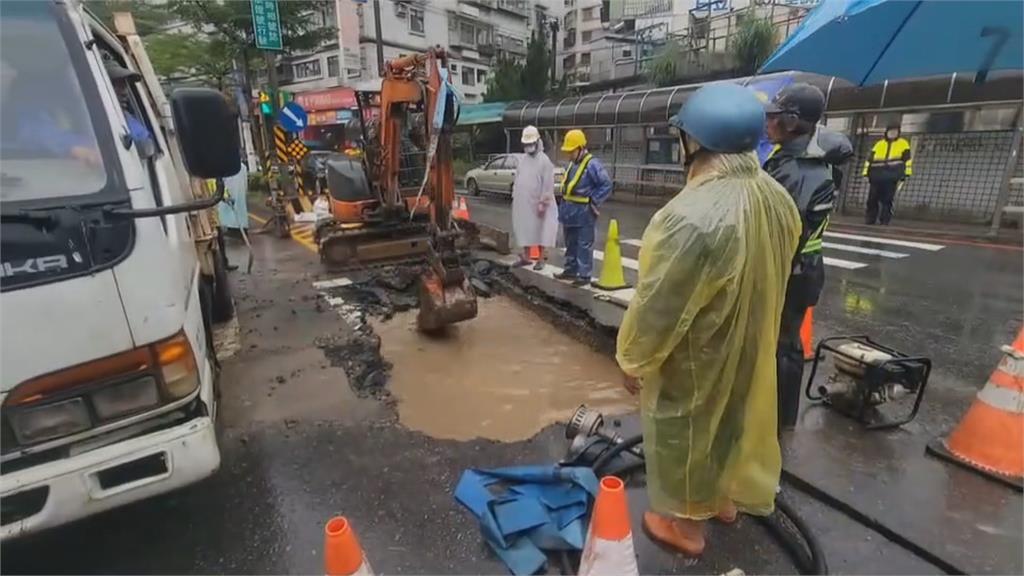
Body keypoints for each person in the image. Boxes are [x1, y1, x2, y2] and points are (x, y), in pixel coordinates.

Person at [616, 84, 801, 556]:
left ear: (695, 143)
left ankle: (685, 526)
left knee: (687, 424)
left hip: (701, 348)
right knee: (734, 416)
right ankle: (723, 501)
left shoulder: (689, 217)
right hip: (753, 339)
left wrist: (634, 358)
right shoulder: (778, 199)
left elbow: (661, 304)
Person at [763, 83, 853, 430]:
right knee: (783, 345)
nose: (767, 122)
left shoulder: (802, 170)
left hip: (793, 271)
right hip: (803, 269)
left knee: (784, 348)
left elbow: (784, 233)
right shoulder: (797, 156)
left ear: (792, 120)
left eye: (774, 116)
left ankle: (779, 423)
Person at [556, 129, 612, 286]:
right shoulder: (572, 165)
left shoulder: (593, 164)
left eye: (571, 151)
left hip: (583, 211)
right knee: (570, 242)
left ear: (580, 148)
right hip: (569, 211)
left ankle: (584, 274)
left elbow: (606, 184)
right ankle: (571, 269)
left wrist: (593, 200)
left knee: (583, 243)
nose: (569, 154)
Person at [511, 125, 557, 271]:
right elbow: (518, 178)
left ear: (537, 142)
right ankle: (526, 256)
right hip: (523, 203)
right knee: (525, 229)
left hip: (538, 203)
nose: (529, 146)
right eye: (526, 144)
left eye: (531, 143)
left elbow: (548, 185)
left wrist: (543, 203)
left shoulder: (544, 161)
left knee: (541, 230)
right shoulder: (523, 160)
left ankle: (541, 258)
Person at [862, 122, 912, 225]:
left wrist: (906, 173)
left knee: (887, 199)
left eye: (895, 131)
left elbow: (907, 160)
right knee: (872, 198)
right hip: (876, 175)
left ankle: (884, 220)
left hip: (891, 176)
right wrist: (865, 173)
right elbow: (869, 160)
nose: (892, 133)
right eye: (891, 131)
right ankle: (870, 219)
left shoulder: (903, 144)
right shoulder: (879, 144)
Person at [104, 59, 154, 154]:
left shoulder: (127, 120)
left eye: (125, 85)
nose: (124, 92)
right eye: (115, 84)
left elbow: (145, 146)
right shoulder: (84, 119)